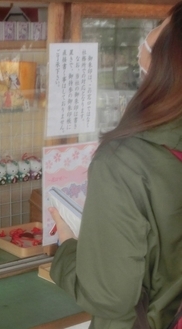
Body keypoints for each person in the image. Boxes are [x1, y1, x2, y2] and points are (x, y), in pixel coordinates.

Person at [49, 3, 182, 328]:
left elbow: (110, 299)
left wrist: (66, 247)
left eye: (161, 25)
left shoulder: (125, 162)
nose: (148, 37)